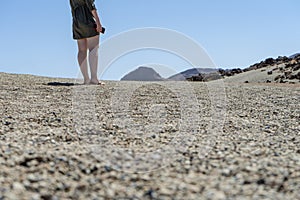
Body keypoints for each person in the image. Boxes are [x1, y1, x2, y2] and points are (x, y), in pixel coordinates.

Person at [70, 0, 105, 85]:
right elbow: (91, 6)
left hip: (77, 22)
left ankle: (86, 79)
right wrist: (98, 22)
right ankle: (94, 79)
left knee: (81, 50)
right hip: (88, 20)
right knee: (93, 49)